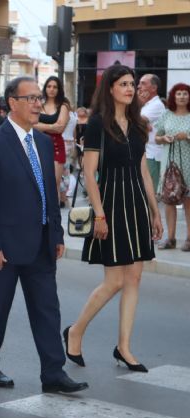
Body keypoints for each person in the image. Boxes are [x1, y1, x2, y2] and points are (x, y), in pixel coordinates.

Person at [0, 76, 89, 394]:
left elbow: (49, 192)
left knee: (47, 309)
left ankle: (53, 372)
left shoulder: (40, 141)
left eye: (40, 98)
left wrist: (57, 234)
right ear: (13, 102)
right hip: (5, 247)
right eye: (32, 98)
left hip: (41, 242)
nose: (39, 103)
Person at [65, 64, 163, 374]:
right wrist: (100, 215)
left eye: (132, 83)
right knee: (115, 281)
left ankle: (124, 347)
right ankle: (76, 331)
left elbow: (144, 171)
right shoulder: (97, 124)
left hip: (135, 202)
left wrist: (155, 210)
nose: (130, 88)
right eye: (123, 83)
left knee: (134, 278)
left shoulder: (138, 124)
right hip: (110, 202)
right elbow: (91, 176)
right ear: (110, 88)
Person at [155, 83, 190, 250]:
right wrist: (165, 138)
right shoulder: (166, 115)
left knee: (188, 201)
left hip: (188, 162)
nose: (182, 96)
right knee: (169, 200)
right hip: (170, 162)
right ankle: (170, 238)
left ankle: (189, 238)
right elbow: (156, 137)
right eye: (179, 94)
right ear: (173, 96)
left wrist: (187, 136)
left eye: (185, 93)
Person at [35, 76, 71, 208]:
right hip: (38, 144)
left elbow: (60, 127)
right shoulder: (39, 104)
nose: (52, 89)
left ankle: (54, 216)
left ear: (59, 89)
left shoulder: (63, 106)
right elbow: (31, 123)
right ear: (45, 88)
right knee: (39, 181)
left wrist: (41, 126)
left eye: (55, 87)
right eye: (49, 86)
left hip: (56, 145)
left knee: (54, 182)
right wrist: (51, 127)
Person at [138, 73, 166, 193]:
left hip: (152, 154)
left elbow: (136, 121)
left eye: (143, 83)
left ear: (154, 88)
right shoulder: (146, 105)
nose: (139, 87)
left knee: (150, 192)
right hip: (144, 152)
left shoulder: (157, 105)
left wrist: (140, 123)